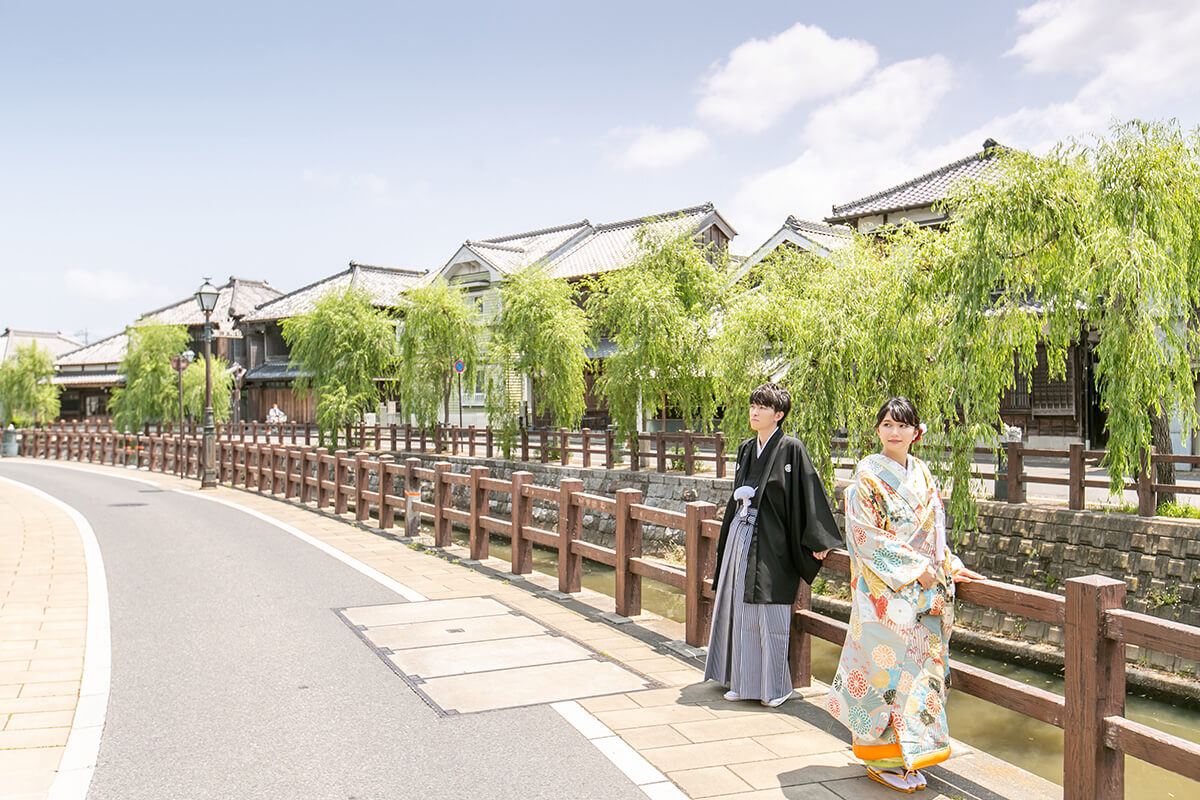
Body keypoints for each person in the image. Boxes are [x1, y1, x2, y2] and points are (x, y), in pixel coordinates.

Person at [826, 397, 984, 793]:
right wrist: (916, 568)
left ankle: (912, 755)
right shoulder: (866, 474)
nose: (894, 432)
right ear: (877, 430)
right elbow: (864, 536)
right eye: (886, 425)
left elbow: (934, 530)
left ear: (917, 432)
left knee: (919, 678)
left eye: (902, 426)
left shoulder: (924, 473)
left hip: (925, 595)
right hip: (886, 596)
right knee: (883, 673)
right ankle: (881, 760)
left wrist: (947, 562)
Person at [704, 383, 843, 708]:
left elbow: (809, 492)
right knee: (739, 609)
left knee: (770, 614)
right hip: (742, 533)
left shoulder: (791, 448)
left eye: (763, 407)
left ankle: (775, 688)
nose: (754, 411)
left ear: (779, 415)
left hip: (773, 543)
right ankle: (741, 682)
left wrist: (820, 539)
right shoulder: (745, 448)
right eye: (753, 405)